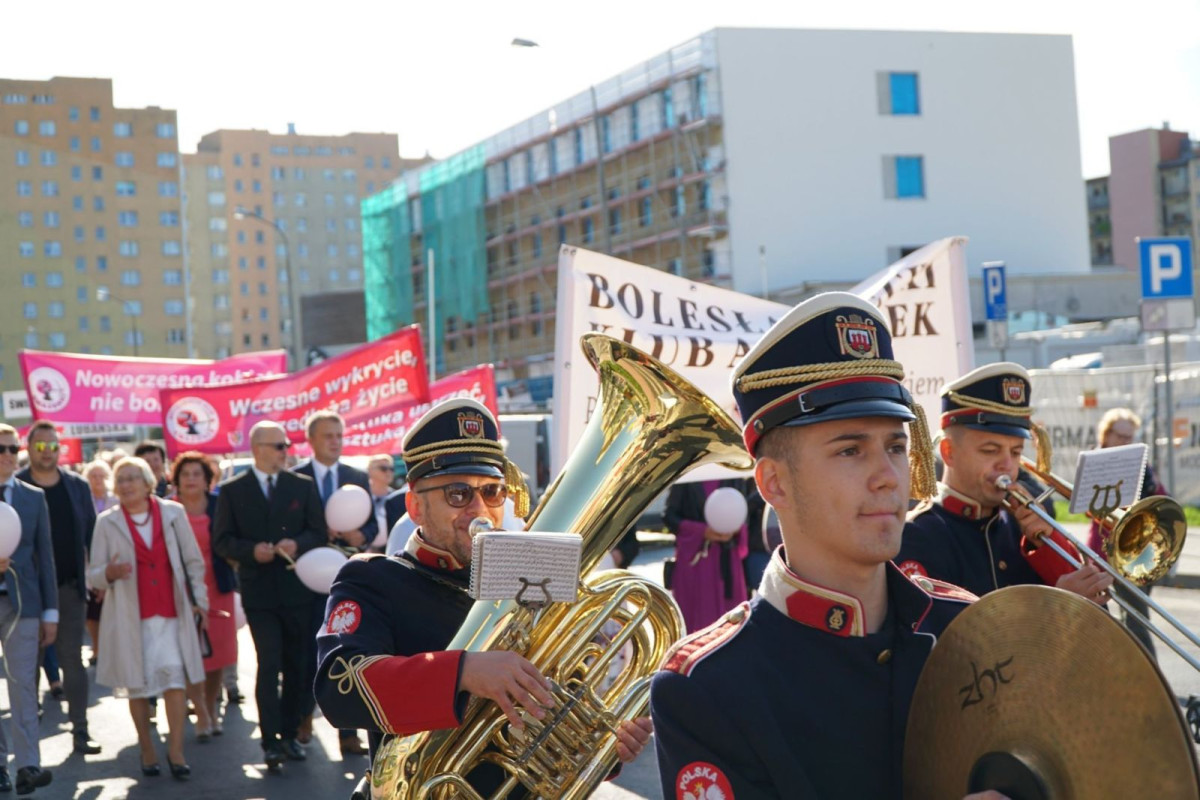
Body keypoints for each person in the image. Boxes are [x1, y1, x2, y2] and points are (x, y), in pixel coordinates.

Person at [650, 292, 983, 800]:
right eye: (850, 450)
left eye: (896, 447)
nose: (889, 478)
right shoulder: (707, 687)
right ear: (774, 483)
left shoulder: (968, 625)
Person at [314, 398, 652, 795]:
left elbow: (561, 705)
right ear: (415, 506)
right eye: (457, 493)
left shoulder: (528, 583)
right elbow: (340, 689)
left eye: (492, 492)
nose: (479, 510)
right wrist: (463, 672)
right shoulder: (374, 578)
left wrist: (604, 744)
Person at [896, 363, 1115, 605]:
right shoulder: (919, 535)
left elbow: (1094, 616)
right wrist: (1057, 607)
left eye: (1016, 452)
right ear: (949, 452)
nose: (1008, 465)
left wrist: (1048, 541)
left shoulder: (1020, 527)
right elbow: (956, 639)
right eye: (990, 450)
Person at [212, 421, 325, 774]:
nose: (285, 451)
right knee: (269, 662)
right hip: (260, 592)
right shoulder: (233, 490)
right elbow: (222, 540)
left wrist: (298, 543)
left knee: (297, 664)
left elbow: (318, 532)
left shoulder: (301, 485)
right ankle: (271, 741)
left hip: (296, 590)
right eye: (278, 445)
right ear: (258, 447)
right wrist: (250, 551)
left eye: (286, 445)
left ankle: (290, 733)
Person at [87, 457, 208, 781]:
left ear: (146, 483)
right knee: (138, 686)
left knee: (174, 682)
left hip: (172, 613)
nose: (125, 485)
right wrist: (108, 573)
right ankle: (146, 748)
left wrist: (201, 602)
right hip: (130, 616)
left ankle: (176, 750)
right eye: (120, 479)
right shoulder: (107, 522)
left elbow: (194, 562)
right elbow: (93, 574)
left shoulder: (173, 514)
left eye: (131, 478)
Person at [292, 410, 375, 756]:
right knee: (304, 654)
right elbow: (287, 527)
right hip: (307, 578)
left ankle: (348, 734)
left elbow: (371, 524)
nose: (335, 441)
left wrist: (361, 534)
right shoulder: (296, 478)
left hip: (346, 580)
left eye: (339, 435)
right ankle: (301, 719)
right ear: (311, 440)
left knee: (345, 654)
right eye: (328, 436)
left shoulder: (356, 476)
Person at [17, 420, 101, 755]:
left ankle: (80, 730)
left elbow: (93, 533)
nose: (48, 452)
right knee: (26, 662)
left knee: (71, 659)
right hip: (26, 591)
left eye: (54, 445)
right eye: (41, 446)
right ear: (29, 447)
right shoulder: (15, 486)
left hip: (69, 588)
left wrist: (96, 577)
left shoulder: (77, 487)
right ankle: (27, 738)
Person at [0, 424, 58, 794]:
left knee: (24, 685)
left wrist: (51, 612)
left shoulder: (33, 497)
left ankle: (28, 766)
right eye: (1, 449)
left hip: (24, 606)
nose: (9, 454)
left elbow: (46, 558)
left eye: (13, 448)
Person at [1088, 407, 1167, 656]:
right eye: (1121, 436)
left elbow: (1161, 498)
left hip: (1139, 549)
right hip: (1106, 548)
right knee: (1117, 620)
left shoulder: (1141, 464)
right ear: (1107, 434)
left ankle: (1142, 678)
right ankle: (1144, 677)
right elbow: (1089, 508)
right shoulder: (1095, 463)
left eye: (1130, 437)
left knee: (1135, 617)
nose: (1126, 442)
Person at [170, 452, 239, 739]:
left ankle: (211, 707)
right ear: (177, 479)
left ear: (207, 479)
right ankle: (198, 708)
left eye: (197, 474)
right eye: (185, 474)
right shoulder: (169, 509)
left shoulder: (219, 505)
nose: (191, 479)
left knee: (218, 655)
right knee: (189, 652)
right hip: (181, 589)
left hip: (217, 585)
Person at [663, 478, 752, 632]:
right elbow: (669, 517)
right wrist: (702, 531)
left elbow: (745, 513)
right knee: (696, 625)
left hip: (727, 561)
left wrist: (736, 528)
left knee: (732, 626)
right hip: (695, 562)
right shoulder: (688, 474)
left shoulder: (733, 474)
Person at [83, 459, 117, 666]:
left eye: (101, 475)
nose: (97, 480)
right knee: (93, 612)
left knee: (111, 612)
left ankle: (112, 650)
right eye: (93, 476)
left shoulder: (116, 500)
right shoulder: (83, 500)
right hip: (89, 562)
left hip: (113, 560)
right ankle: (96, 648)